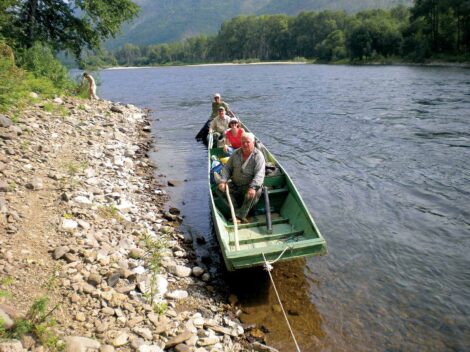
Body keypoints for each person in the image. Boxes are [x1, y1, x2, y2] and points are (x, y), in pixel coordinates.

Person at [217, 132, 265, 223]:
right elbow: (227, 168)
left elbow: (260, 174)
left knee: (254, 192)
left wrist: (253, 187)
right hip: (236, 184)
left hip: (249, 186)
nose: (245, 144)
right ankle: (236, 210)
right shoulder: (236, 153)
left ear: (253, 143)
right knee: (219, 189)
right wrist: (223, 181)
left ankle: (240, 216)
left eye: (248, 142)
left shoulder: (258, 156)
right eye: (243, 142)